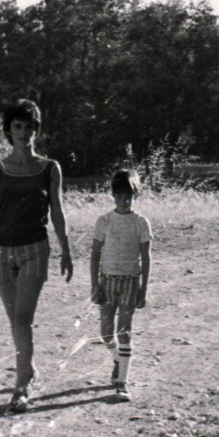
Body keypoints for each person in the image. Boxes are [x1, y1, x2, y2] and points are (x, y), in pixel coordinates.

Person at [0, 100, 73, 412]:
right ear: (8, 130)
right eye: (17, 126)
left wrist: (66, 250)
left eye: (29, 126)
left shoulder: (49, 168)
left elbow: (57, 211)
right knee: (15, 321)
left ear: (36, 130)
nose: (23, 132)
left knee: (22, 318)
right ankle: (28, 368)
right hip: (0, 251)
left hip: (35, 250)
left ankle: (21, 386)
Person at [89, 169, 151, 403]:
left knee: (125, 330)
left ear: (135, 195)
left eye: (129, 196)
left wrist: (143, 289)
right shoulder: (104, 221)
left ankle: (122, 382)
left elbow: (146, 257)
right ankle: (117, 359)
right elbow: (95, 254)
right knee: (106, 332)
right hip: (107, 281)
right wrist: (94, 284)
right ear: (113, 195)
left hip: (130, 282)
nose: (124, 201)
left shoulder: (141, 223)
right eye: (120, 196)